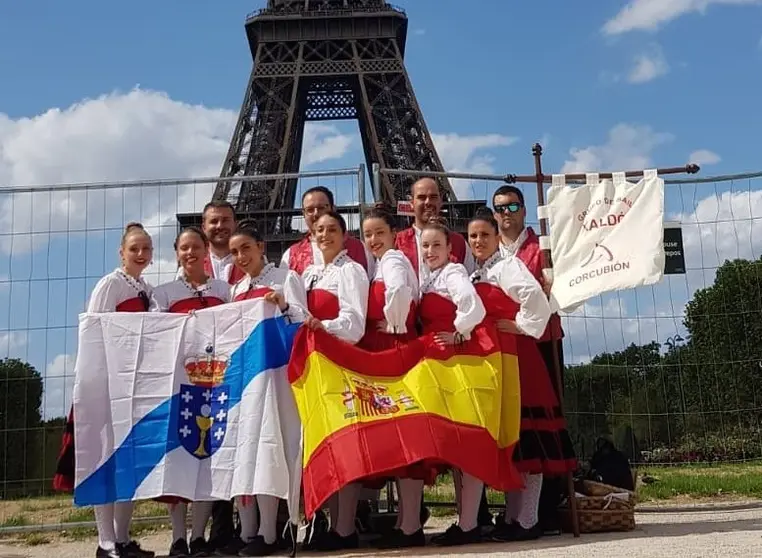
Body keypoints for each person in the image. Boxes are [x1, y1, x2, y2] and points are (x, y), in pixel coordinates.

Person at [467, 207, 577, 541]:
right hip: (502, 360)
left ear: (497, 237)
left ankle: (527, 519)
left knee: (528, 442)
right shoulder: (482, 272)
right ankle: (516, 517)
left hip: (519, 358)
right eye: (473, 236)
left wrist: (521, 326)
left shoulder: (506, 267)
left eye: (485, 235)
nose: (478, 241)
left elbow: (535, 299)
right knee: (516, 442)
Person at [53, 223, 156, 558]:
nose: (141, 255)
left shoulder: (146, 288)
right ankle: (106, 541)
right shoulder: (110, 285)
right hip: (107, 386)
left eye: (146, 249)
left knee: (128, 463)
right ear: (121, 252)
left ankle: (122, 538)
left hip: (132, 387)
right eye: (134, 249)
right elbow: (94, 336)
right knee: (104, 461)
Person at [218, 219, 308, 557]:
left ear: (261, 248)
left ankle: (270, 534)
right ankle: (249, 531)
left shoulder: (286, 279)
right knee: (246, 452)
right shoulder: (236, 291)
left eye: (246, 248)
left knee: (271, 448)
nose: (240, 256)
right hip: (245, 380)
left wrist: (283, 305)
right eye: (234, 252)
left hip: (276, 376)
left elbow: (302, 320)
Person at [398, 217, 488, 548]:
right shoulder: (430, 279)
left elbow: (473, 307)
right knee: (455, 442)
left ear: (451, 249)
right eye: (426, 245)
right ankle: (466, 523)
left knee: (464, 441)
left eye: (437, 245)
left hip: (454, 364)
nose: (431, 250)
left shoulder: (452, 273)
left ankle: (468, 524)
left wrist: (459, 333)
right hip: (437, 363)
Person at [492, 185, 569, 532]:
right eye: (499, 208)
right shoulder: (491, 251)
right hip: (506, 347)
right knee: (515, 427)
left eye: (512, 207)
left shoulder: (542, 248)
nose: (505, 213)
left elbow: (559, 293)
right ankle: (519, 510)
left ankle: (545, 507)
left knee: (542, 426)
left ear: (523, 210)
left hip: (540, 342)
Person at [150, 227, 231, 557]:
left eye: (196, 246)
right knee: (179, 461)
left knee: (207, 461)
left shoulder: (225, 289)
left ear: (206, 248)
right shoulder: (163, 293)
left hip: (215, 385)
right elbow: (156, 333)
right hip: (179, 388)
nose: (191, 253)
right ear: (177, 253)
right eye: (184, 248)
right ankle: (178, 537)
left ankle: (198, 535)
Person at [300, 211, 370, 552]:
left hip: (341, 363)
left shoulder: (351, 271)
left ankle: (345, 527)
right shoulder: (309, 274)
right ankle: (328, 524)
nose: (324, 234)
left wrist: (322, 326)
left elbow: (355, 325)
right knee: (324, 445)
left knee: (344, 444)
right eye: (318, 230)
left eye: (331, 230)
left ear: (345, 236)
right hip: (316, 367)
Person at [358, 203, 418, 351]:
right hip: (385, 342)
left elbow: (398, 288)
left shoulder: (392, 258)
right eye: (368, 235)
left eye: (380, 233)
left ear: (393, 234)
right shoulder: (380, 263)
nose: (373, 239)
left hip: (392, 344)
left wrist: (395, 324)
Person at [395, 177, 475, 286]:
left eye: (433, 197)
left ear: (440, 201)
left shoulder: (459, 243)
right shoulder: (397, 242)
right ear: (412, 203)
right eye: (422, 197)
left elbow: (471, 281)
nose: (428, 202)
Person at [280, 186, 373, 276]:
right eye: (310, 210)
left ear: (333, 209)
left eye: (321, 208)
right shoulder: (291, 255)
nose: (316, 214)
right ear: (303, 214)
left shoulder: (360, 248)